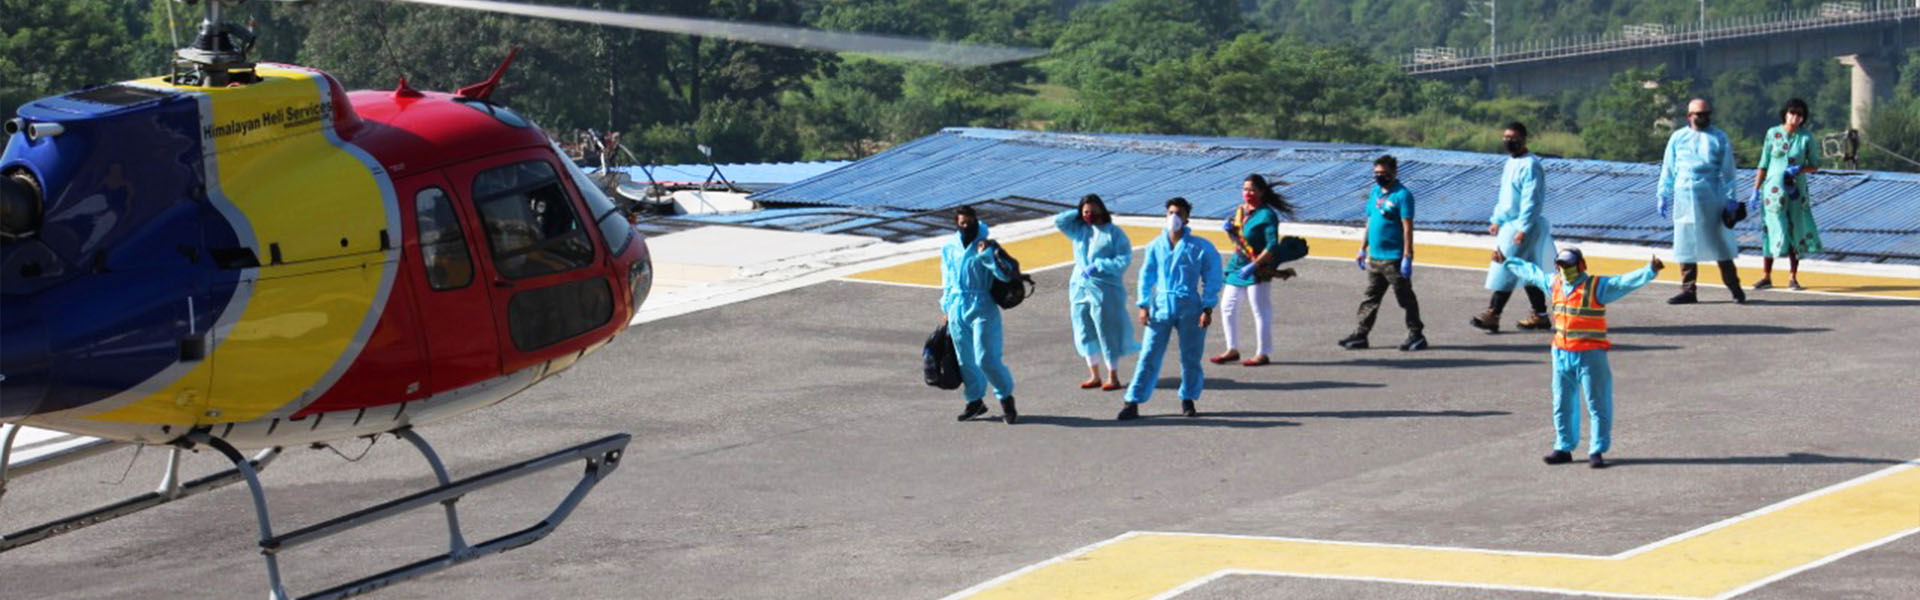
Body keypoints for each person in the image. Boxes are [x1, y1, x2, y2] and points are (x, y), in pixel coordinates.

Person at [1493, 246, 1664, 469]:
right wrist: (1508, 262)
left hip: (1591, 355)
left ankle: (1597, 450)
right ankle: (1563, 447)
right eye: (1561, 265)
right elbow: (1532, 273)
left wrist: (1649, 270)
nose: (1565, 270)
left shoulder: (1597, 287)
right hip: (1561, 353)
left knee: (1597, 404)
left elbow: (1622, 282)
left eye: (1569, 265)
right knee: (1562, 403)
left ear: (1581, 265)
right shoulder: (1555, 283)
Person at [1120, 198, 1223, 421]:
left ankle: (1188, 398)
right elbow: (1145, 276)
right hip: (1161, 307)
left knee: (1190, 357)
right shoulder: (1156, 245)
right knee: (1149, 354)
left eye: (1178, 213)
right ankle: (1133, 400)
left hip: (1190, 307)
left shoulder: (1200, 247)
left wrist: (1207, 307)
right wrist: (1143, 304)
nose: (1173, 217)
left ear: (1187, 218)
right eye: (1170, 212)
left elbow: (1213, 277)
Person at [1657, 98, 1746, 305]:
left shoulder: (1719, 138)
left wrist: (1731, 197)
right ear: (1689, 116)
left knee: (1720, 242)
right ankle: (1688, 290)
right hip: (1684, 196)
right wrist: (1663, 193)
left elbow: (1729, 171)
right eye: (1699, 114)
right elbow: (1668, 168)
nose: (1703, 117)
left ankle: (1735, 288)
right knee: (1686, 242)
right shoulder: (1678, 138)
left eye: (1706, 114)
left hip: (1711, 196)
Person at [1472, 122, 1556, 334]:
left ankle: (1493, 313)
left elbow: (1531, 200)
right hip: (1510, 224)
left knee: (1506, 266)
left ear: (1524, 139)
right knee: (1527, 271)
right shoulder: (1510, 163)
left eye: (1513, 137)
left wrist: (1523, 228)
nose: (1508, 141)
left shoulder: (1530, 165)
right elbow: (1506, 196)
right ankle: (1540, 315)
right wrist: (1497, 219)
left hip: (1522, 226)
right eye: (1506, 137)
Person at [1340, 155, 1427, 351]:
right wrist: (1362, 248)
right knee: (1370, 298)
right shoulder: (1375, 193)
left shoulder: (1402, 195)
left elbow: (1407, 227)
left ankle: (1416, 334)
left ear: (1394, 173)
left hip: (1393, 258)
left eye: (1385, 174)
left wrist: (1407, 255)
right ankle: (1361, 334)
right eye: (1377, 173)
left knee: (1405, 298)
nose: (1380, 177)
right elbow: (1370, 221)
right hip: (1375, 257)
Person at [942, 206, 1018, 424]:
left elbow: (1004, 276)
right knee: (965, 360)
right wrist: (947, 307)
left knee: (986, 358)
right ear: (957, 224)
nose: (966, 226)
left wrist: (987, 254)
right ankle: (975, 401)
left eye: (970, 222)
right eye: (962, 223)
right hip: (958, 307)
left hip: (982, 305)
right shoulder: (950, 248)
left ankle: (1006, 398)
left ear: (976, 221)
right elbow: (947, 279)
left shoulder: (987, 245)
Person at [1053, 194, 1137, 391]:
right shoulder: (1079, 230)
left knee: (1105, 330)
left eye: (1092, 211)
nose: (1089, 215)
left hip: (1104, 287)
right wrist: (1079, 209)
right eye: (1086, 212)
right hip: (1080, 286)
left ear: (1101, 209)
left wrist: (1100, 265)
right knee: (1083, 328)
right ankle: (1094, 374)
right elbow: (1059, 221)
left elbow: (1123, 259)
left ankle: (1113, 376)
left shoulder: (1113, 233)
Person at [1212, 174, 1296, 367]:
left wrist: (1255, 265)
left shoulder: (1267, 215)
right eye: (1245, 189)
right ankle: (1231, 348)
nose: (1247, 193)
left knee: (1260, 310)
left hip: (1258, 267)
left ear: (1261, 192)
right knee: (1228, 307)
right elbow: (1240, 239)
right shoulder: (1241, 211)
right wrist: (1230, 230)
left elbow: (1272, 245)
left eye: (1252, 190)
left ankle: (1263, 352)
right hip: (1237, 265)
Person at [1749, 98, 1822, 291]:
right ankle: (1766, 275)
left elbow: (1814, 165)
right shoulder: (1772, 134)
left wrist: (1799, 169)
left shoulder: (1806, 137)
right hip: (1772, 191)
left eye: (1800, 114)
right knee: (1771, 229)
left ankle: (1793, 276)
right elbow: (1763, 163)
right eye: (1792, 113)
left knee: (1795, 230)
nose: (1795, 117)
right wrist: (1755, 189)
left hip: (1795, 191)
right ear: (1785, 113)